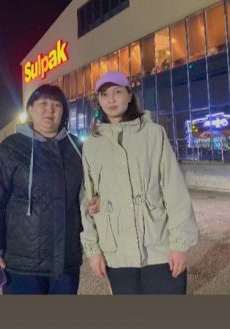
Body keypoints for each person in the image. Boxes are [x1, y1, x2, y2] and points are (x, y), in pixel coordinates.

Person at [80, 71, 199, 295]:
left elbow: (174, 190)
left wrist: (179, 244)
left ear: (129, 95)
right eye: (104, 94)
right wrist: (93, 250)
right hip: (117, 252)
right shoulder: (92, 144)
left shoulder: (153, 134)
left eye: (117, 92)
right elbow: (87, 200)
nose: (111, 99)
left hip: (158, 247)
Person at [0, 84, 84, 295]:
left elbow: (89, 190)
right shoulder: (11, 148)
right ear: (30, 109)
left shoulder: (77, 149)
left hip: (66, 263)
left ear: (63, 112)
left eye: (56, 105)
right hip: (21, 266)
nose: (49, 110)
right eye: (43, 103)